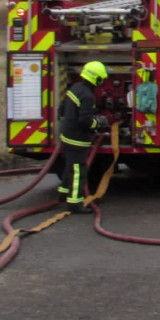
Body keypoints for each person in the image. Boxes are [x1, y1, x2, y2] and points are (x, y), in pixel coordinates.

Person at [57, 60, 108, 214]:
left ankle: (63, 193)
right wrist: (97, 123)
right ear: (96, 78)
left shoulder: (75, 88)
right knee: (79, 171)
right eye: (101, 79)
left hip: (67, 136)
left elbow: (61, 110)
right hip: (77, 139)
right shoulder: (88, 96)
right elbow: (85, 121)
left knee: (69, 166)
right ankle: (75, 202)